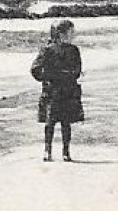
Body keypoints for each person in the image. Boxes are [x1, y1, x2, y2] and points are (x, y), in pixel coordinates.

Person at [32, 19, 84, 162]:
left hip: (68, 91)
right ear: (60, 34)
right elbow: (35, 69)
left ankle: (65, 152)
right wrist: (48, 78)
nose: (73, 35)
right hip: (52, 92)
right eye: (71, 32)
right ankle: (47, 151)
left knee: (66, 123)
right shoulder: (47, 50)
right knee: (50, 122)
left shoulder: (74, 50)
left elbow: (78, 70)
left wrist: (65, 75)